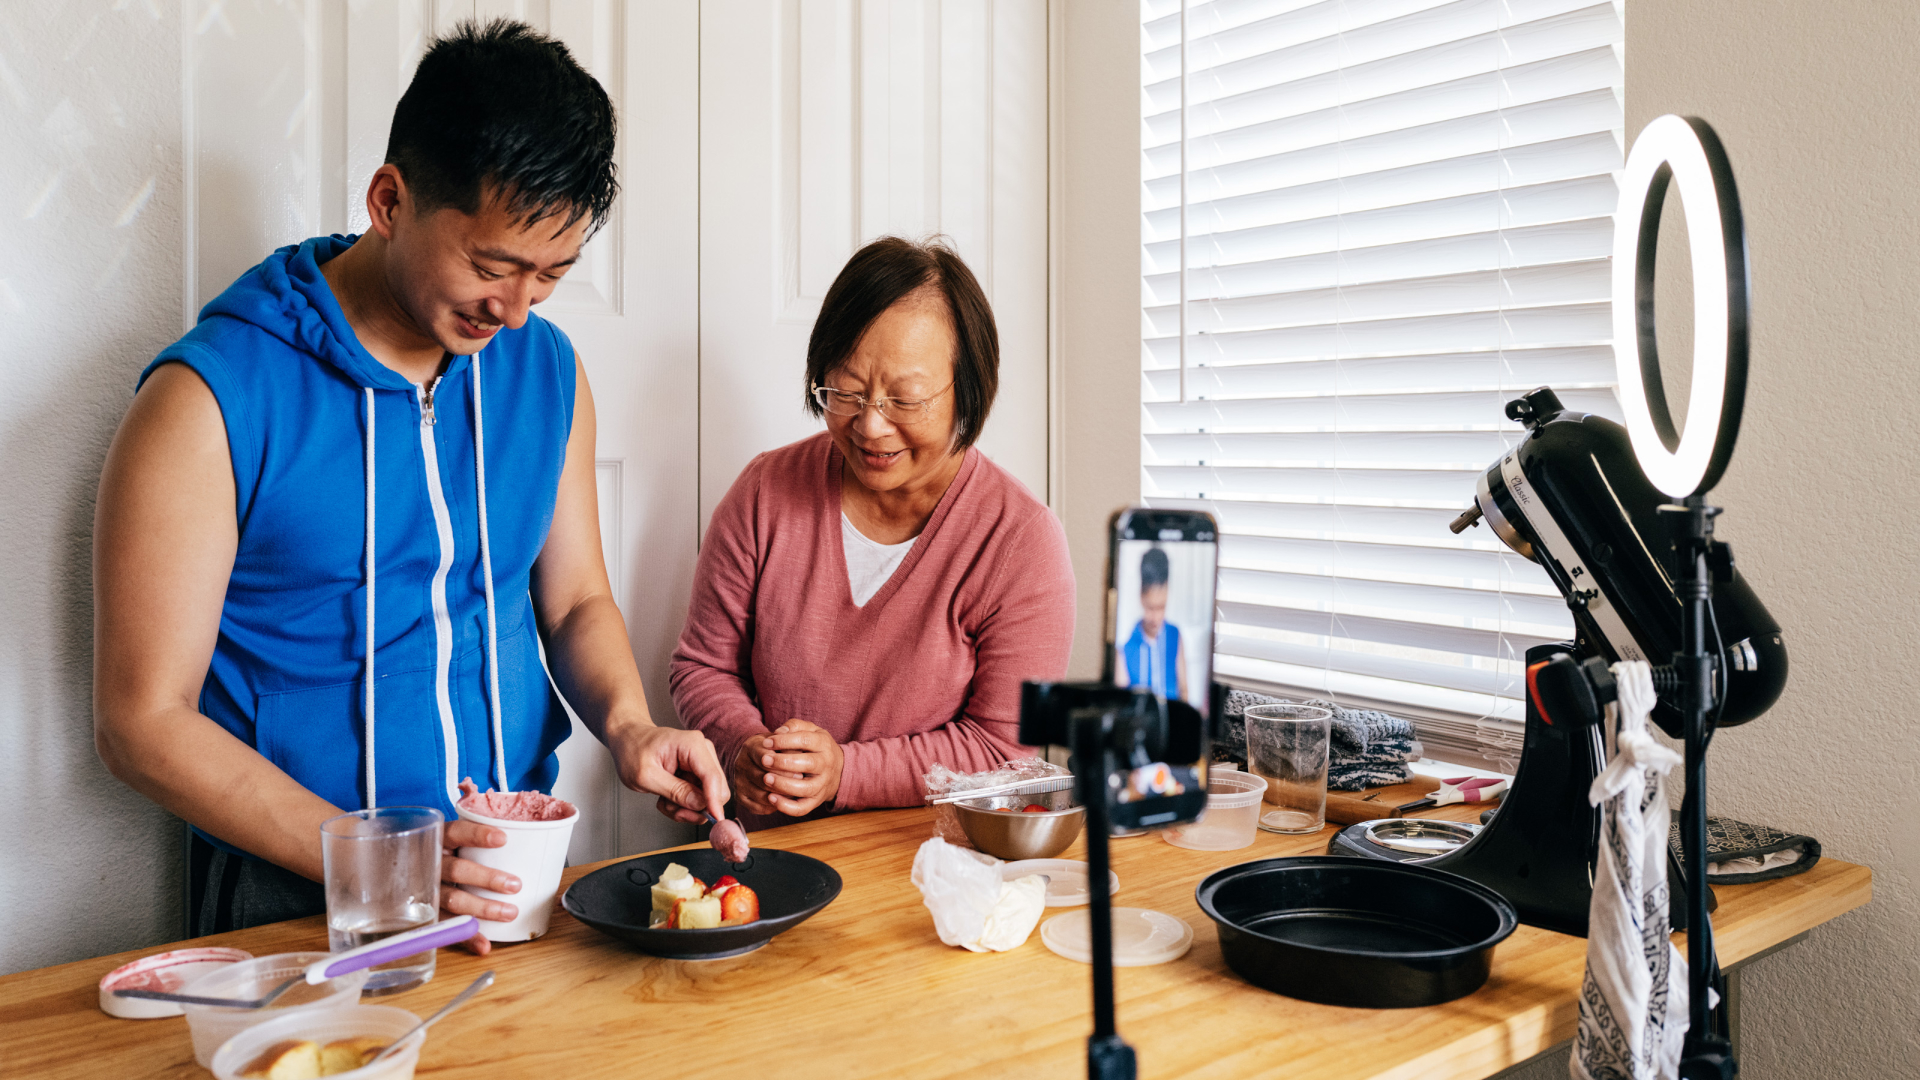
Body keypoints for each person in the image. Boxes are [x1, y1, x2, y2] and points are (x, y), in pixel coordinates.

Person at [92, 20, 728, 948]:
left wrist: (631, 728)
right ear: (390, 199)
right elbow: (140, 721)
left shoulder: (544, 373)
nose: (513, 311)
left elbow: (576, 600)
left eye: (551, 273)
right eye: (491, 265)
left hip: (509, 868)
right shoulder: (210, 400)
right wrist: (376, 856)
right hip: (293, 891)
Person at [670, 237, 1075, 823]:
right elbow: (702, 666)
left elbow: (1003, 750)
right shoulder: (765, 493)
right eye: (847, 390)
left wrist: (845, 772)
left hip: (923, 862)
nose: (870, 425)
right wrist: (743, 748)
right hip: (766, 855)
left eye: (905, 400)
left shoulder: (1021, 542)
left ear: (967, 387)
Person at [1118, 547, 1188, 704]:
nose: (1156, 618)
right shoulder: (1125, 647)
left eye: (1161, 607)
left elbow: (1184, 689)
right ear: (1141, 597)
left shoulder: (1174, 635)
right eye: (1150, 608)